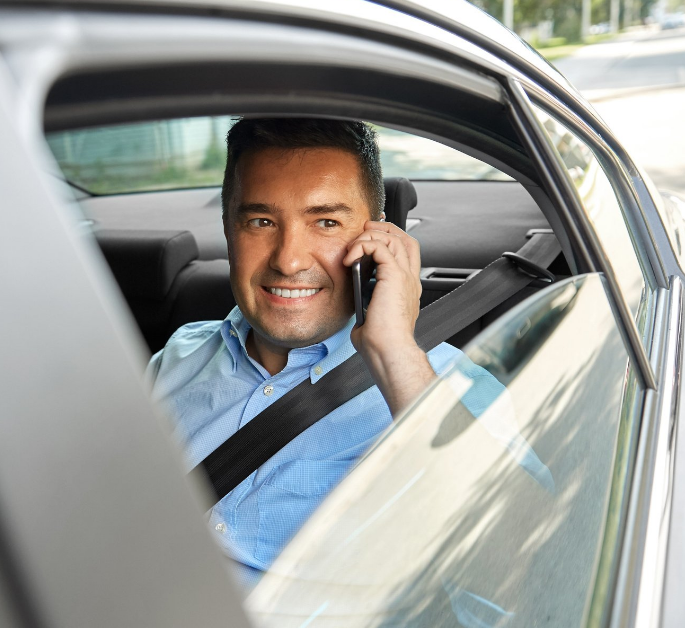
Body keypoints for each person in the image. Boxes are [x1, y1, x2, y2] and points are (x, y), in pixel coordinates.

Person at [146, 118, 489, 582]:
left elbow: (524, 555)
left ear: (377, 241)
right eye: (261, 222)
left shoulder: (447, 386)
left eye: (326, 222)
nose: (288, 260)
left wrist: (393, 354)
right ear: (228, 229)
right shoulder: (178, 357)